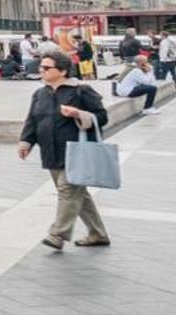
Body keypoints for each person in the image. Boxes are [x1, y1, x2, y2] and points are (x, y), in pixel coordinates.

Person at [18, 50, 110, 252]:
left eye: (46, 67)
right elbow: (32, 119)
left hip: (76, 151)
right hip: (51, 152)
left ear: (62, 70)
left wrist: (78, 113)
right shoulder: (40, 93)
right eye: (41, 67)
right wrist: (26, 142)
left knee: (67, 191)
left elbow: (102, 116)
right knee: (79, 195)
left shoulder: (81, 90)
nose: (40, 70)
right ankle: (98, 234)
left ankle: (57, 234)